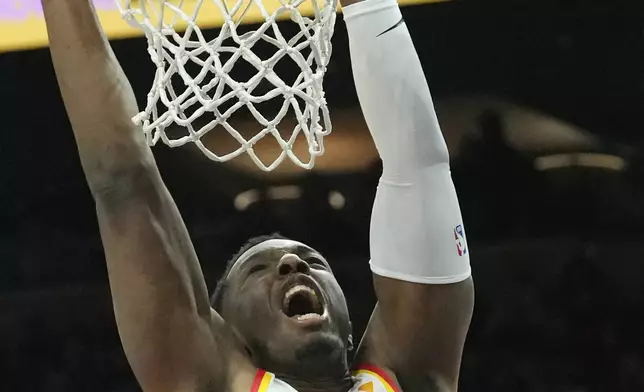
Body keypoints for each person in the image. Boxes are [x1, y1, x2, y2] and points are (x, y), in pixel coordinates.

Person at [41, 0, 474, 390]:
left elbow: (421, 168)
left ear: (348, 327)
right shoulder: (207, 381)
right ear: (230, 338)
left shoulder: (411, 376)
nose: (291, 263)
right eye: (257, 272)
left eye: (314, 263)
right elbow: (123, 182)